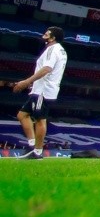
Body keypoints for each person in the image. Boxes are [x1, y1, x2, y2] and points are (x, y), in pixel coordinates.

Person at [12, 27, 68, 159]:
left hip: (44, 91)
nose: (45, 34)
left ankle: (37, 152)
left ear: (53, 38)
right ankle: (32, 145)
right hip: (40, 89)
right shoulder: (59, 50)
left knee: (40, 120)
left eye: (47, 33)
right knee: (22, 115)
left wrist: (26, 81)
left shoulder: (52, 50)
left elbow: (47, 69)